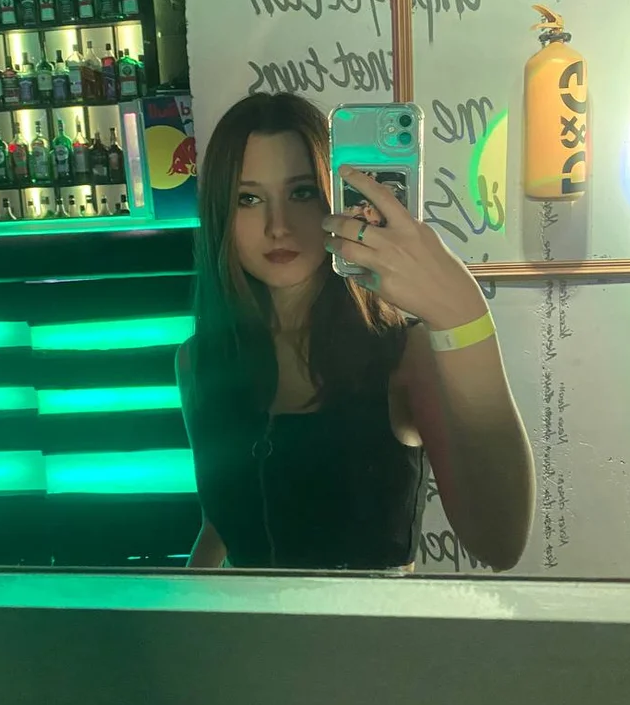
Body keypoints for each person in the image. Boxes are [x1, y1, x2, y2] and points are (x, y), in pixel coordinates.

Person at [177, 93, 534, 572]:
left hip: (375, 622)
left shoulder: (404, 355)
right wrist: (181, 605)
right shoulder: (198, 360)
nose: (277, 226)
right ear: (220, 212)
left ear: (336, 198)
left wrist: (462, 315)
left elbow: (500, 543)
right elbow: (219, 521)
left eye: (302, 192)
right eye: (249, 198)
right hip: (241, 621)